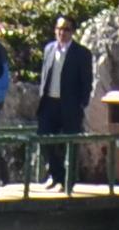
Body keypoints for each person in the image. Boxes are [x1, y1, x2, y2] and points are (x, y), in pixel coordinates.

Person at [32, 17, 98, 170]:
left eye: (66, 29)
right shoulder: (49, 49)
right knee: (44, 138)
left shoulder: (82, 53)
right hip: (49, 103)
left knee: (69, 144)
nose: (62, 32)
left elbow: (86, 82)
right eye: (59, 29)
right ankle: (56, 175)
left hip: (70, 105)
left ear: (72, 32)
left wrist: (81, 104)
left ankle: (68, 181)